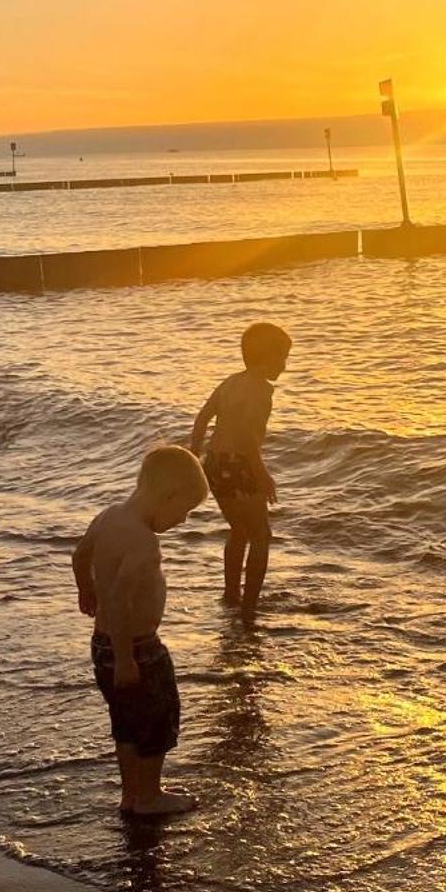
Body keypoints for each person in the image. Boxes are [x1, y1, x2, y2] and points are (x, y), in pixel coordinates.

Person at [72, 444, 209, 817]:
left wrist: (85, 587)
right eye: (184, 510)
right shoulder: (144, 542)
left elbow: (80, 554)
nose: (182, 521)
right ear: (167, 496)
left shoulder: (108, 516)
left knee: (126, 723)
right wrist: (126, 659)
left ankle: (132, 794)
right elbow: (117, 600)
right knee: (157, 721)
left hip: (102, 646)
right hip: (137, 649)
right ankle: (150, 798)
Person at [187, 323, 291, 623]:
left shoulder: (230, 382)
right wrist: (262, 474)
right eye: (282, 357)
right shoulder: (260, 390)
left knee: (239, 530)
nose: (284, 366)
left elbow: (203, 417)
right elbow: (247, 436)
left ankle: (231, 594)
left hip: (215, 464)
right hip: (240, 465)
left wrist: (195, 453)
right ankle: (249, 608)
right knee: (261, 534)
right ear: (265, 357)